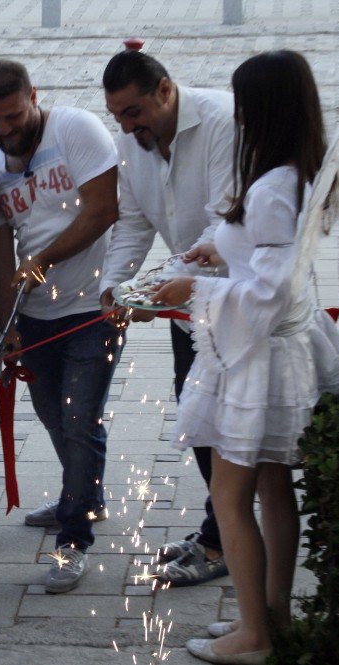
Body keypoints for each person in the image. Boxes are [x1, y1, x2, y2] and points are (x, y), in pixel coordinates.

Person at [151, 50, 339, 663]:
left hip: (257, 360)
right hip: (279, 348)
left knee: (232, 498)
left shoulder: (271, 188)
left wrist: (196, 290)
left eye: (242, 105)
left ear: (262, 109)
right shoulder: (294, 172)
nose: (235, 117)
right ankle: (272, 616)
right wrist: (216, 252)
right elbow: (266, 260)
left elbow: (270, 291)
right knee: (272, 489)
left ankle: (253, 635)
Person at [0, 60, 120, 592]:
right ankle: (85, 495)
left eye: (13, 116)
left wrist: (42, 262)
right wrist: (4, 325)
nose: (5, 130)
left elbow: (104, 209)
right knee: (56, 421)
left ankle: (73, 540)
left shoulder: (75, 130)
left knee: (80, 419)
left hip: (93, 307)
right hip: (33, 318)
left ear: (34, 96)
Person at [100, 49, 236, 587]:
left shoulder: (222, 121)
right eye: (117, 117)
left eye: (134, 113)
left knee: (230, 431)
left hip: (233, 300)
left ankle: (226, 538)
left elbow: (222, 225)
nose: (128, 127)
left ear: (164, 89)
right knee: (197, 418)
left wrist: (153, 291)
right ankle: (220, 528)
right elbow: (132, 226)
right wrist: (114, 289)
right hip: (185, 307)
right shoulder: (131, 145)